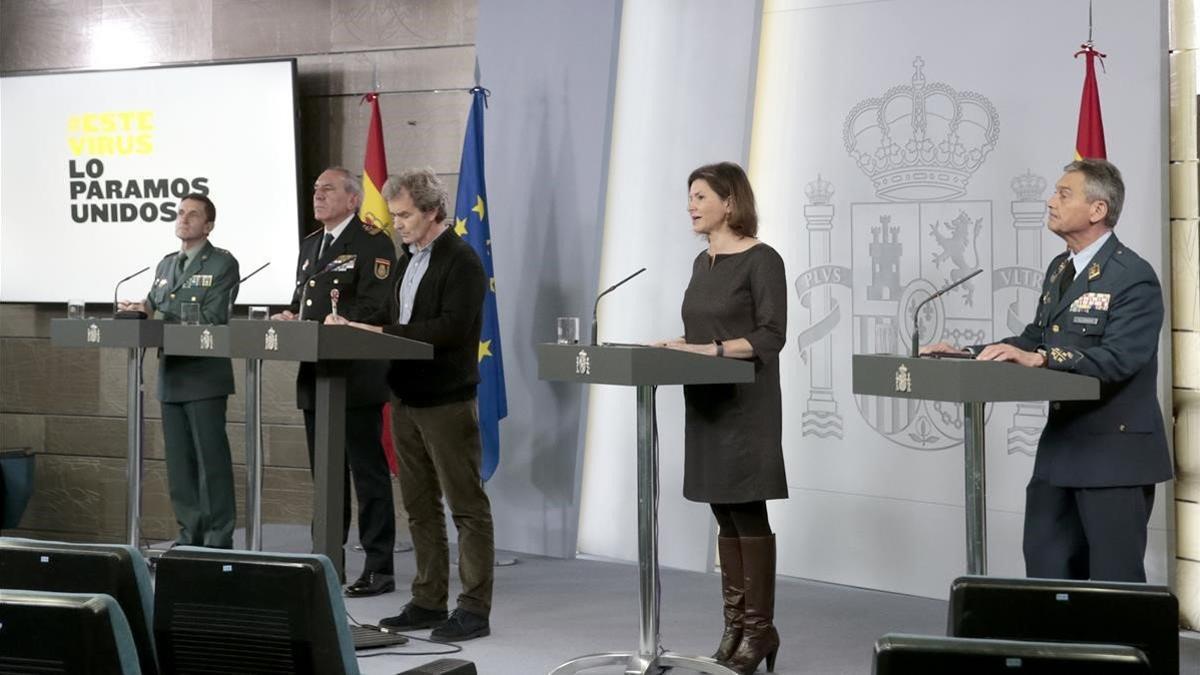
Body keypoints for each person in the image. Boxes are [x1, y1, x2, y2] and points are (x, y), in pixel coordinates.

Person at [923, 158, 1172, 582]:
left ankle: (1122, 651)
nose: (1050, 201)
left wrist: (1044, 358)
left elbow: (1120, 359)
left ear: (1097, 210)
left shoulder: (1133, 277)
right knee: (1047, 571)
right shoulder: (1061, 269)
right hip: (1061, 451)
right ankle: (1054, 651)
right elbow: (1034, 338)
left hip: (1115, 456)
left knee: (1115, 584)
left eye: (1064, 193)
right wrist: (965, 352)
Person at [326, 168, 495, 642]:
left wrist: (378, 333)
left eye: (404, 215)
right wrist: (349, 322)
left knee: (466, 506)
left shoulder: (461, 261)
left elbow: (448, 329)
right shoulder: (407, 258)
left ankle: (474, 608)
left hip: (445, 398)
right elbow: (392, 314)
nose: (395, 223)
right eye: (394, 215)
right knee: (419, 507)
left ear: (432, 212)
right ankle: (427, 599)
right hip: (402, 395)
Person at [656, 162, 787, 674]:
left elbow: (771, 336)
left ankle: (759, 631)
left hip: (746, 403)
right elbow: (703, 330)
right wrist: (679, 346)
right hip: (706, 403)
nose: (691, 205)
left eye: (700, 196)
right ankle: (734, 627)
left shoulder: (761, 259)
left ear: (729, 202)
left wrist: (707, 350)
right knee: (723, 512)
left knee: (747, 508)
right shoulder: (701, 262)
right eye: (689, 197)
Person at [272, 167, 398, 596]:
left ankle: (379, 567)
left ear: (352, 199)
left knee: (367, 474)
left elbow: (378, 305)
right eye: (315, 189)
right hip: (316, 376)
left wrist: (342, 321)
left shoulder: (373, 242)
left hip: (356, 377)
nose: (318, 196)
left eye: (328, 190)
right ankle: (326, 562)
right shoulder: (311, 245)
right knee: (325, 476)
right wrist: (290, 317)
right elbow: (301, 302)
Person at [120, 193, 239, 548]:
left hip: (203, 375)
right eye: (180, 213)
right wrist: (139, 308)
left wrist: (163, 316)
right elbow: (155, 307)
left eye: (193, 214)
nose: (184, 219)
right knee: (179, 467)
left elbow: (214, 317)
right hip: (171, 375)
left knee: (211, 463)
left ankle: (218, 539)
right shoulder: (166, 265)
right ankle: (189, 535)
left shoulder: (221, 264)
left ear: (209, 225)